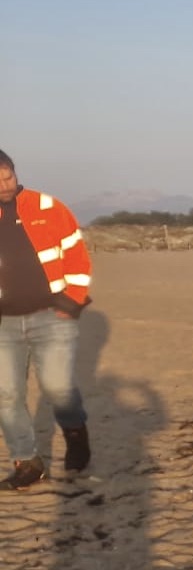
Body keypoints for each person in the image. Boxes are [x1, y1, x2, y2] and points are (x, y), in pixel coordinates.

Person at [0, 151, 92, 490]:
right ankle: (27, 463)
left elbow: (76, 256)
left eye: (7, 176)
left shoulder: (48, 208)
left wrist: (72, 302)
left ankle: (75, 432)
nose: (5, 185)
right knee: (7, 395)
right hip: (3, 326)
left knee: (57, 387)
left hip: (52, 316)